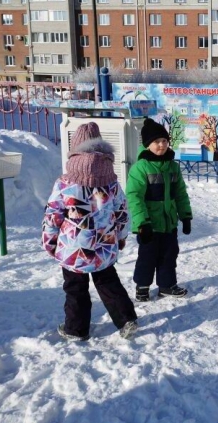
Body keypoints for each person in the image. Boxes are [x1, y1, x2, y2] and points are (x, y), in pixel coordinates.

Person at [42, 122, 138, 341]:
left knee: (75, 289)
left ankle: (76, 330)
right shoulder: (111, 181)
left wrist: (50, 242)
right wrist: (120, 238)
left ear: (75, 148)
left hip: (73, 248)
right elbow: (122, 212)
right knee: (108, 283)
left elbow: (53, 215)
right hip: (103, 246)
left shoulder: (65, 182)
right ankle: (126, 320)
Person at [126, 118, 193, 301]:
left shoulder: (173, 166)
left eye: (164, 141)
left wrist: (185, 216)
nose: (161, 145)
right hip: (149, 224)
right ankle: (142, 286)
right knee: (147, 257)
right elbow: (134, 196)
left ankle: (166, 285)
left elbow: (180, 193)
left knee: (169, 255)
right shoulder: (140, 168)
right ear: (148, 144)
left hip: (168, 222)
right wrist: (142, 222)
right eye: (157, 142)